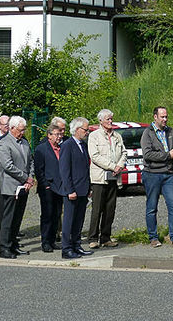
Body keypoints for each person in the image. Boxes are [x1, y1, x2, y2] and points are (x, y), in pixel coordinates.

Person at [140, 106, 173, 247]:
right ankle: (153, 237)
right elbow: (148, 154)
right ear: (155, 117)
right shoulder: (147, 133)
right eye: (162, 117)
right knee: (152, 207)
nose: (165, 119)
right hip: (152, 174)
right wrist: (168, 155)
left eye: (166, 117)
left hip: (168, 174)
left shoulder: (170, 131)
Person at [87, 109, 125, 249]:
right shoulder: (94, 136)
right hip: (99, 178)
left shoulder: (117, 136)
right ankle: (92, 238)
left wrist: (119, 165)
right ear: (101, 121)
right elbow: (95, 156)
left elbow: (124, 153)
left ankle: (105, 237)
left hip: (114, 178)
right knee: (97, 209)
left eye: (111, 119)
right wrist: (112, 166)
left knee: (110, 209)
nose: (110, 121)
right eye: (108, 119)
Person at [0, 115, 34, 258]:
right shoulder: (4, 143)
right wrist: (25, 177)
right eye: (20, 130)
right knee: (8, 219)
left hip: (24, 186)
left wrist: (30, 177)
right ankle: (4, 248)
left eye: (24, 130)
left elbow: (30, 160)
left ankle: (14, 245)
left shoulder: (24, 142)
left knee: (17, 218)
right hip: (11, 187)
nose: (23, 132)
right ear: (11, 128)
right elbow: (7, 166)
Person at [58, 117, 92, 259]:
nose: (87, 132)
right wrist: (70, 189)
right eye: (85, 129)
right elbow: (65, 170)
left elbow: (85, 168)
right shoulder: (68, 145)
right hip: (72, 190)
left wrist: (89, 187)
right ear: (77, 129)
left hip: (83, 189)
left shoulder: (83, 145)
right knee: (69, 220)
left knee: (79, 219)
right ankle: (66, 248)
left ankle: (76, 245)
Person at [33, 119, 65, 253]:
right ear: (49, 135)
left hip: (60, 186)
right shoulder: (41, 148)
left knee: (57, 214)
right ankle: (45, 242)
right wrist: (45, 184)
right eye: (56, 134)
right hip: (47, 188)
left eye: (60, 134)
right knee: (47, 215)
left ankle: (52, 240)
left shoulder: (62, 147)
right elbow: (38, 170)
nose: (59, 137)